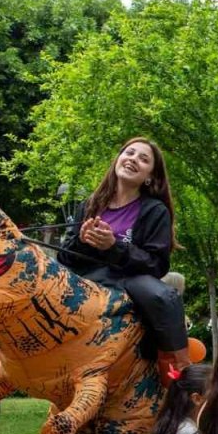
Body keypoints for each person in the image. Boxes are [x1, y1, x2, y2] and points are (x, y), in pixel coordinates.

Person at [57, 137, 190, 386]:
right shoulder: (89, 205)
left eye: (143, 159)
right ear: (118, 160)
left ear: (150, 177)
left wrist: (114, 247)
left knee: (163, 296)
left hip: (130, 279)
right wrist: (82, 240)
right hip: (90, 278)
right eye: (129, 153)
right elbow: (65, 258)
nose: (133, 159)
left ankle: (179, 371)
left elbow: (157, 265)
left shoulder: (154, 210)